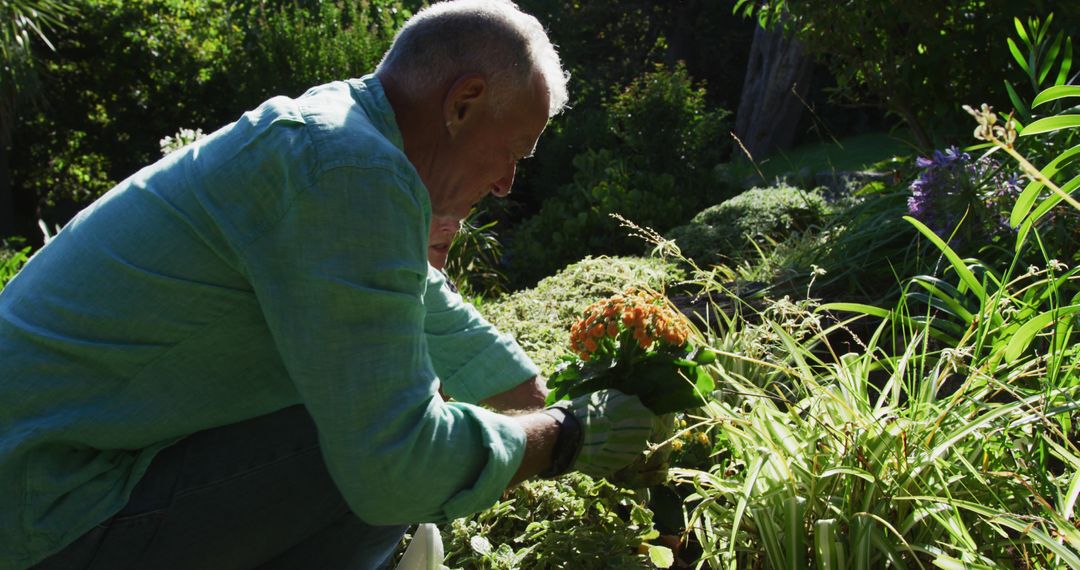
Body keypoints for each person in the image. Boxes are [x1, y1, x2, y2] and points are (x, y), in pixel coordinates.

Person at [0, 1, 660, 569]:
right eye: (514, 152)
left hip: (54, 484)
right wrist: (565, 437)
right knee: (363, 449)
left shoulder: (341, 137)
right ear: (463, 103)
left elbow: (432, 318)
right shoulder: (345, 170)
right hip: (47, 514)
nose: (505, 184)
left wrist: (569, 404)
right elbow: (393, 466)